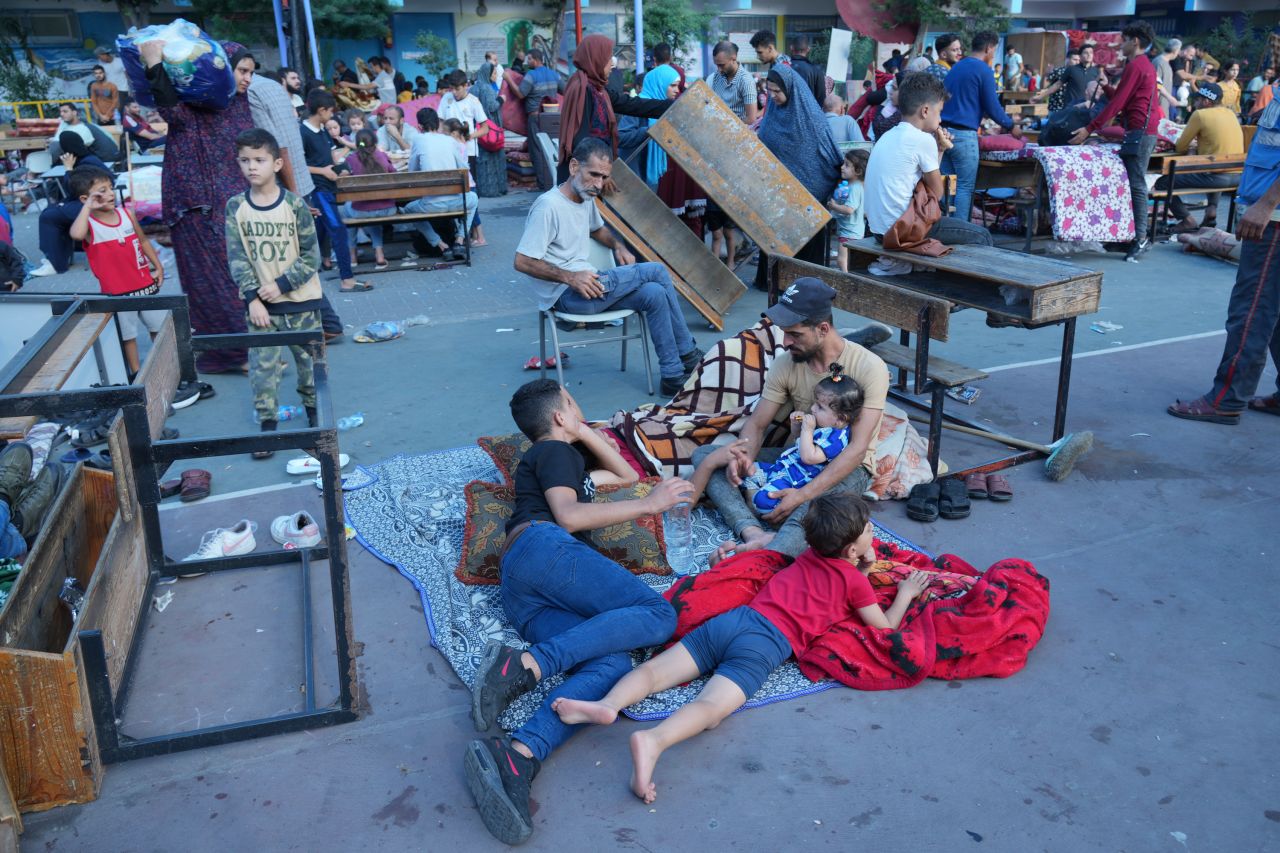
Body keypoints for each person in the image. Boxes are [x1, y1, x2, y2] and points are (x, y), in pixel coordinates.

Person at [550, 491, 932, 805]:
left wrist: (858, 566)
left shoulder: (811, 553)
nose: (872, 532)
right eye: (868, 528)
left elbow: (835, 578)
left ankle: (607, 705)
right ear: (851, 550)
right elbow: (884, 628)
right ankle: (653, 741)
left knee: (653, 673)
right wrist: (905, 593)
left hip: (735, 621)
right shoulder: (856, 583)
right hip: (765, 646)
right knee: (710, 707)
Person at [462, 378, 689, 845]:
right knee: (657, 614)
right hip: (544, 550)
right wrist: (652, 503)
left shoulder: (562, 458)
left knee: (610, 661)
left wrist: (584, 431)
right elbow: (567, 516)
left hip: (524, 589)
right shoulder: (553, 453)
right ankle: (526, 664)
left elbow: (625, 475)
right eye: (572, 403)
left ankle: (520, 754)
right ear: (560, 415)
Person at [690, 277, 889, 561]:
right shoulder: (786, 363)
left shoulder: (869, 367)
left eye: (795, 335)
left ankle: (773, 552)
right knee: (707, 455)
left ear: (822, 329)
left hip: (847, 468)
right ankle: (752, 532)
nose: (785, 342)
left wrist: (803, 495)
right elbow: (758, 424)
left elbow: (857, 450)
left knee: (813, 514)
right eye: (784, 333)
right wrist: (742, 456)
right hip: (796, 456)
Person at [514, 137, 703, 397]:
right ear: (573, 167)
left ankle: (671, 376)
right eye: (593, 175)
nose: (599, 184)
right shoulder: (548, 206)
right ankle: (689, 354)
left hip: (591, 287)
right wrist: (570, 277)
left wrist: (618, 246)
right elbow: (522, 261)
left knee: (655, 294)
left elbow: (597, 230)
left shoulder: (586, 197)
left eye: (604, 177)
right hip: (566, 295)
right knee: (656, 271)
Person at [137, 38, 253, 373]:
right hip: (206, 206)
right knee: (222, 281)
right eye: (242, 71)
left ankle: (236, 351)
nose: (247, 78)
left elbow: (172, 111)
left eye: (250, 72)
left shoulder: (230, 104)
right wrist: (156, 64)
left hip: (217, 207)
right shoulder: (211, 106)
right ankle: (239, 351)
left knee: (226, 280)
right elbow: (172, 109)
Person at [1166, 91, 1280, 425]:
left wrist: (1266, 204)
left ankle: (1227, 398)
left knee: (1252, 310)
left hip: (1273, 218)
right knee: (1273, 313)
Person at [224, 128, 324, 456]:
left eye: (260, 160)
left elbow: (313, 256)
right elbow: (236, 257)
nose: (252, 167)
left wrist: (281, 284)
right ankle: (268, 427)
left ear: (277, 163)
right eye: (245, 161)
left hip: (300, 301)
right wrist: (252, 297)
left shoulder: (295, 205)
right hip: (262, 309)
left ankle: (315, 418)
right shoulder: (236, 207)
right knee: (263, 369)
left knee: (310, 366)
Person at [246, 67, 344, 343]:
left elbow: (280, 150)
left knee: (292, 262)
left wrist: (294, 197)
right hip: (297, 190)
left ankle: (326, 322)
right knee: (297, 262)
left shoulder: (256, 93)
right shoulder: (274, 92)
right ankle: (326, 322)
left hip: (288, 194)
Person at [865, 72, 994, 275]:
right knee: (982, 236)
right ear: (925, 110)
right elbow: (937, 194)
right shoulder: (921, 139)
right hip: (902, 229)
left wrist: (940, 149)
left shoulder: (889, 135)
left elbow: (925, 182)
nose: (941, 118)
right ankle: (967, 295)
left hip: (879, 230)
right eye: (939, 111)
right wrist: (936, 147)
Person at [698, 363, 864, 513]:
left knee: (764, 500)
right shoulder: (826, 427)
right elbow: (798, 443)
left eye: (820, 407)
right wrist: (798, 428)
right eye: (815, 403)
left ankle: (757, 506)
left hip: (793, 480)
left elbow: (809, 457)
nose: (812, 409)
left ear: (841, 418)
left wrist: (807, 429)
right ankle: (751, 503)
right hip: (781, 469)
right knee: (750, 470)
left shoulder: (836, 439)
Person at [1070, 20, 1159, 263]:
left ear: (1135, 42)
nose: (1121, 44)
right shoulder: (1141, 65)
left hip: (1140, 130)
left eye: (1124, 40)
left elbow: (1119, 104)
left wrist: (1089, 129)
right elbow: (1122, 98)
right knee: (1131, 183)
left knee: (1137, 185)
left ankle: (1140, 238)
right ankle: (1130, 236)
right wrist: (1107, 88)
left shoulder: (1137, 65)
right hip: (1139, 129)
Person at [67, 166, 164, 375]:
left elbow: (143, 240)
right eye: (102, 190)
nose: (111, 194)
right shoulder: (89, 226)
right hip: (117, 292)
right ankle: (136, 372)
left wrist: (158, 266)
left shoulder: (126, 214)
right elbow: (75, 234)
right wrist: (87, 207)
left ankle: (161, 366)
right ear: (86, 198)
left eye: (110, 188)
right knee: (128, 336)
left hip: (145, 285)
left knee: (159, 328)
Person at [754, 63, 842, 291]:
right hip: (776, 192)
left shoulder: (811, 117)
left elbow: (830, 154)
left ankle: (804, 283)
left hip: (808, 194)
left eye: (777, 91)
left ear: (791, 89)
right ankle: (771, 280)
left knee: (805, 250)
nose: (772, 97)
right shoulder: (773, 113)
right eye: (769, 91)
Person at [557, 34, 670, 183]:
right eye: (608, 58)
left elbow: (630, 104)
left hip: (591, 171)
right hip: (583, 177)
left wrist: (672, 105)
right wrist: (600, 175)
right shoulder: (582, 89)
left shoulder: (596, 88)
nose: (612, 64)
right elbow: (581, 141)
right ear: (596, 59)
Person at [941, 32, 1023, 225]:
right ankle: (960, 232)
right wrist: (1011, 126)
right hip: (963, 136)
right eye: (994, 50)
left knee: (948, 186)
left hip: (943, 134)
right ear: (988, 48)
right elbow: (993, 107)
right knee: (964, 187)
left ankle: (945, 227)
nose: (993, 54)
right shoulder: (984, 70)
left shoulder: (956, 67)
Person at [300, 88, 372, 293]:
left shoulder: (322, 131)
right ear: (321, 111)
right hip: (317, 189)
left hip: (329, 186)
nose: (332, 116)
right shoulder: (302, 132)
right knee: (338, 229)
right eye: (330, 112)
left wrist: (341, 168)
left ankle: (323, 261)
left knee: (322, 228)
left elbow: (329, 157)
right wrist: (322, 171)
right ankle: (346, 279)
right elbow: (297, 164)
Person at [1155, 83, 1245, 233]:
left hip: (1216, 178)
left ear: (1206, 102)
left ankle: (1187, 220)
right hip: (1237, 176)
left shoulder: (1200, 115)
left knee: (1162, 183)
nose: (1194, 103)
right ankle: (1212, 210)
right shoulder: (1230, 113)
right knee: (1216, 164)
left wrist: (1191, 145)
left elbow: (1180, 147)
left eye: (1197, 100)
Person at [405, 108, 476, 260]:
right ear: (438, 124)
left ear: (419, 127)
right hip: (457, 201)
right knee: (473, 199)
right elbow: (463, 167)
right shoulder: (450, 140)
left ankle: (440, 244)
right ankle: (459, 240)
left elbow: (412, 171)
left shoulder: (418, 140)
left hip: (432, 204)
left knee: (408, 209)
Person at [341, 128, 394, 270]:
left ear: (357, 144)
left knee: (347, 210)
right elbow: (393, 173)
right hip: (387, 210)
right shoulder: (382, 156)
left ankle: (352, 256)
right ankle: (379, 254)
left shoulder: (351, 159)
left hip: (362, 212)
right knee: (373, 208)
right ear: (375, 142)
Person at [439, 69, 490, 178]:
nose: (454, 92)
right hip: (448, 149)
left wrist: (468, 137)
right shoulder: (446, 98)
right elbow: (440, 122)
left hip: (468, 150)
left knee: (469, 184)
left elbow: (485, 128)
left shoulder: (473, 101)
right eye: (451, 89)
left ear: (466, 85)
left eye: (457, 89)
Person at [470, 62, 507, 198]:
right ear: (488, 74)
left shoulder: (473, 89)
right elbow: (492, 106)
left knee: (481, 162)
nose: (496, 75)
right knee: (494, 161)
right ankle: (494, 189)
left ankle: (483, 189)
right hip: (491, 130)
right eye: (494, 73)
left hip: (478, 129)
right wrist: (501, 99)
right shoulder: (488, 89)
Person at [829, 148, 868, 272]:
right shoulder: (856, 186)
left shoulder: (855, 188)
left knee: (841, 260)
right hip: (852, 230)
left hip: (849, 231)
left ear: (858, 171)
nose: (842, 167)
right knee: (849, 260)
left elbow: (849, 209)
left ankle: (847, 280)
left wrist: (834, 206)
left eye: (847, 165)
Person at [707, 40, 758, 124]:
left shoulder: (746, 81)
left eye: (722, 65)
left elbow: (751, 119)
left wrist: (726, 125)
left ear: (733, 58)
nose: (719, 69)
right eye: (716, 65)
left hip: (737, 131)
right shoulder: (714, 77)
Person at [518, 48, 565, 137]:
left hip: (535, 118)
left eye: (529, 59)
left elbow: (520, 94)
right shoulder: (554, 74)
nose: (527, 62)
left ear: (536, 61)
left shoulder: (531, 74)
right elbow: (566, 91)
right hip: (551, 118)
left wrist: (508, 79)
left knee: (536, 148)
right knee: (549, 147)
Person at [787, 35, 827, 106]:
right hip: (809, 115)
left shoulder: (782, 68)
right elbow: (821, 99)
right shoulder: (816, 71)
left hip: (786, 115)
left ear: (791, 48)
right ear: (808, 49)